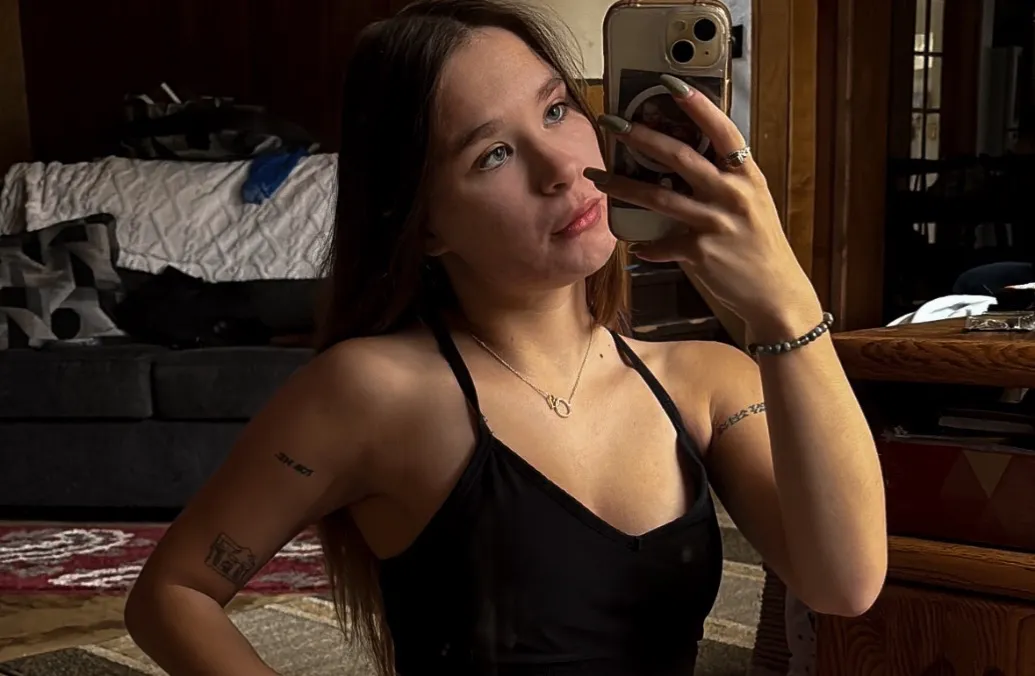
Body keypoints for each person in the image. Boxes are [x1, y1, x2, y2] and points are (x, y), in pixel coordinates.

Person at [123, 1, 888, 674]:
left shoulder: (706, 382)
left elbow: (843, 583)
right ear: (423, 224)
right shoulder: (375, 391)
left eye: (556, 110)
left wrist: (786, 306)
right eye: (492, 153)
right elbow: (174, 593)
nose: (560, 168)